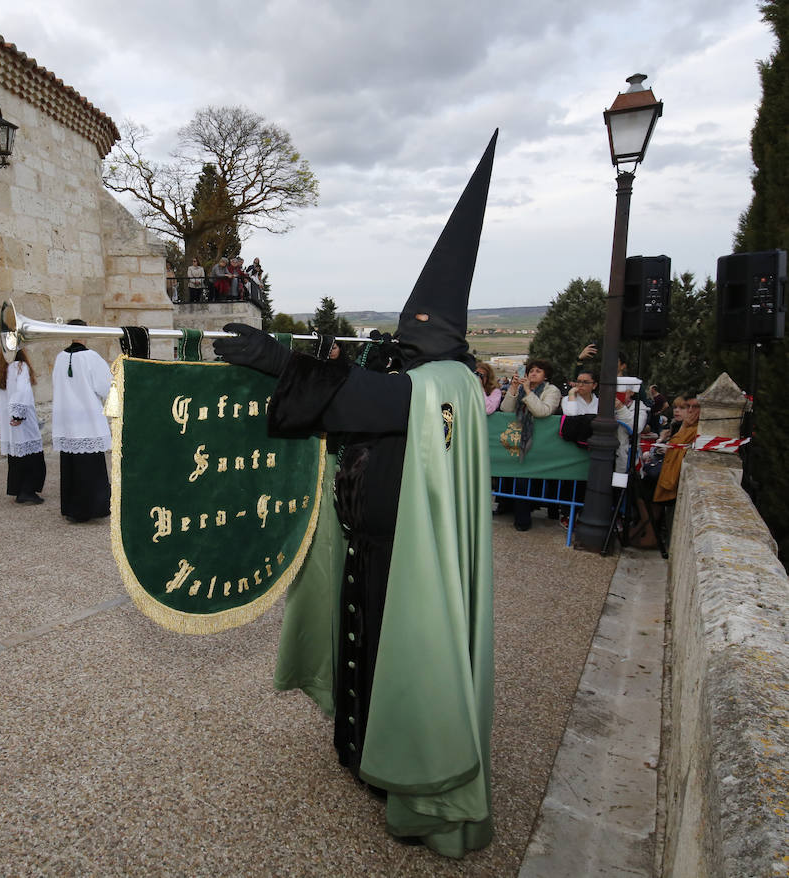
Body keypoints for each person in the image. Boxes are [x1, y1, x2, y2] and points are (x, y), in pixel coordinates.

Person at [213, 133, 499, 857]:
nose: (402, 351)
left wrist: (277, 359)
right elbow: (367, 407)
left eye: (412, 341)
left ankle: (409, 774)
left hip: (407, 565)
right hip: (377, 550)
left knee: (396, 661)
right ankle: (363, 747)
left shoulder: (442, 389)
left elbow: (361, 402)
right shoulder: (444, 383)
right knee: (364, 653)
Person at [51, 320, 113, 523]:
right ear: (86, 333)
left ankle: (73, 509)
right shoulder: (91, 357)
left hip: (67, 420)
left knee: (71, 466)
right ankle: (93, 509)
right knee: (91, 468)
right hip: (88, 420)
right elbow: (106, 387)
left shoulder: (60, 357)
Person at [499, 357, 562, 531]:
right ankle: (512, 511)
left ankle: (523, 520)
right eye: (531, 370)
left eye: (538, 371)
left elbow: (543, 411)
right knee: (516, 477)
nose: (533, 373)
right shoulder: (521, 389)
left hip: (540, 441)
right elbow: (506, 410)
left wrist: (527, 391)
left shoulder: (552, 391)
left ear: (546, 376)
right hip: (518, 440)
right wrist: (513, 388)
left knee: (526, 479)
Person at [0, 350, 46, 505]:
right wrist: (18, 414)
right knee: (31, 456)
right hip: (21, 421)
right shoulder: (20, 367)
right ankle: (28, 491)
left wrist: (8, 412)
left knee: (16, 457)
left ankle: (19, 489)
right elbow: (23, 391)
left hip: (7, 421)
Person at [653, 393, 700, 504]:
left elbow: (673, 449)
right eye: (675, 407)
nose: (677, 411)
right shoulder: (674, 425)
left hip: (672, 483)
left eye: (682, 408)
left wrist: (683, 426)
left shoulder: (693, 429)